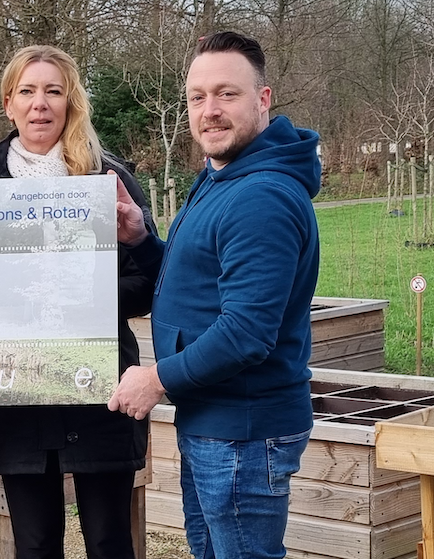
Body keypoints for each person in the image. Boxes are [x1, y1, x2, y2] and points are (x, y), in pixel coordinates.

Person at [109, 31, 320, 559]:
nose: (210, 111)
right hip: (215, 421)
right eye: (197, 97)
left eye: (227, 93)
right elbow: (197, 283)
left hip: (242, 432)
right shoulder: (223, 177)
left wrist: (156, 378)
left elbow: (246, 332)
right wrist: (141, 240)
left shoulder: (261, 196)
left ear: (263, 98)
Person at [0, 45, 153, 559]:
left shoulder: (108, 178)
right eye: (27, 91)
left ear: (70, 102)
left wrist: (81, 297)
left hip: (100, 386)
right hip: (19, 388)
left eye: (53, 91)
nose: (40, 104)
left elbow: (148, 281)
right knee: (34, 544)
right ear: (9, 103)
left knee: (109, 540)